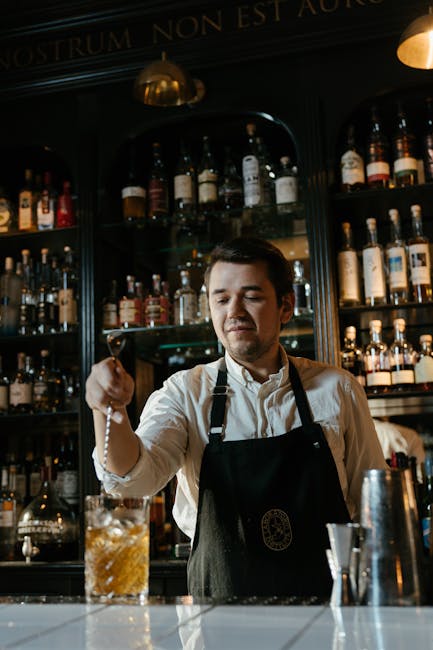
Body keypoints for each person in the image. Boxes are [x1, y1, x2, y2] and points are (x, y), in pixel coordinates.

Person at [85, 237, 387, 599]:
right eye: (222, 298)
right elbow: (132, 482)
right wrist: (107, 411)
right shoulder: (185, 392)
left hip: (329, 612)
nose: (235, 312)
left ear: (286, 306)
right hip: (218, 621)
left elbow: (375, 512)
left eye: (252, 296)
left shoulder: (337, 389)